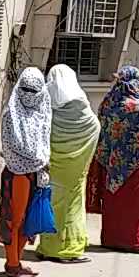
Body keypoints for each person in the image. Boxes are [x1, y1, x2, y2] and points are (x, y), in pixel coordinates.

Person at [89, 66, 139, 255]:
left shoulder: (107, 103)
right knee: (135, 203)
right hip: (135, 163)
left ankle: (112, 238)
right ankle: (136, 241)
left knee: (115, 201)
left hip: (110, 162)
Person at [37, 65, 99, 263]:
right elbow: (95, 126)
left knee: (52, 202)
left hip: (53, 166)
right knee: (72, 204)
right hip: (76, 168)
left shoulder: (46, 103)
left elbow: (40, 133)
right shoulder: (81, 104)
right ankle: (69, 249)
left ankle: (48, 246)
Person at [0, 68, 51, 277]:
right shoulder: (11, 113)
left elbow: (44, 140)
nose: (30, 95)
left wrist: (41, 162)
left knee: (28, 221)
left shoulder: (42, 111)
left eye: (34, 90)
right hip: (17, 174)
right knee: (14, 221)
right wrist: (37, 159)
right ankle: (11, 264)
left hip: (36, 173)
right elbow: (14, 146)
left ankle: (16, 261)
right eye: (26, 90)